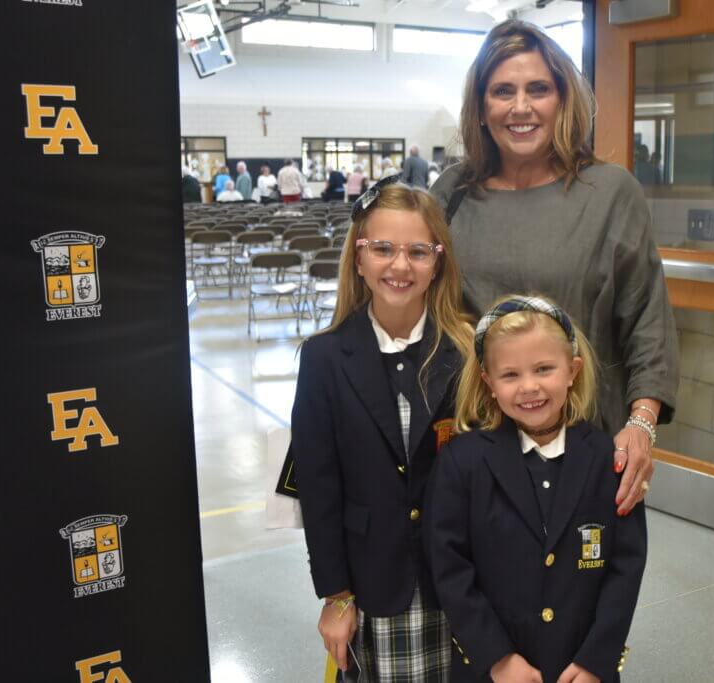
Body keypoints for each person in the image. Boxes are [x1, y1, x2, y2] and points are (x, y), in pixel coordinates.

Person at [430, 19, 678, 515]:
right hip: (478, 449)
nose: (520, 107)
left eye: (538, 89)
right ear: (481, 106)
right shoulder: (452, 194)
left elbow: (647, 322)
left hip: (585, 447)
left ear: (563, 99)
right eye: (503, 91)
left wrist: (642, 424)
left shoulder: (610, 193)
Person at [290, 178, 473, 681]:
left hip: (460, 581)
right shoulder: (324, 359)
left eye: (418, 251)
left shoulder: (466, 352)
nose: (400, 266)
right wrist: (336, 596)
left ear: (438, 262)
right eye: (383, 249)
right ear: (359, 258)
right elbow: (319, 489)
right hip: (374, 584)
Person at [426, 295, 647, 683]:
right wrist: (497, 658)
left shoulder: (607, 459)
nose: (529, 387)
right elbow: (449, 568)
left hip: (580, 669)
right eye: (510, 375)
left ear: (572, 370)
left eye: (544, 369)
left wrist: (597, 659)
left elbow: (625, 567)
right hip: (493, 672)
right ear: (488, 383)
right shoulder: (462, 462)